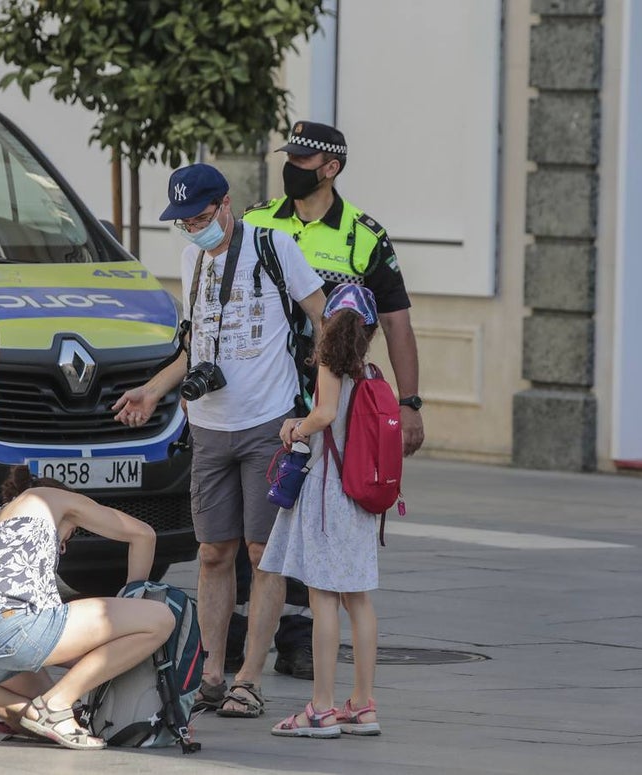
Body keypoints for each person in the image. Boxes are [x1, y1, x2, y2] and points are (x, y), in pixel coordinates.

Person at [113, 164, 325, 719]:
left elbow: (325, 320)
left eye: (202, 217)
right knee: (212, 552)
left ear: (226, 204)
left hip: (268, 424)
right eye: (183, 222)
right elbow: (196, 347)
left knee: (263, 554)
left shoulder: (275, 246)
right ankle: (210, 673)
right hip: (208, 426)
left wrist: (325, 406)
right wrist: (153, 390)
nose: (193, 229)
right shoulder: (192, 259)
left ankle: (249, 678)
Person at [240, 120, 425, 680]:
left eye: (301, 159)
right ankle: (235, 640)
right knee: (252, 529)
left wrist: (411, 402)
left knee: (309, 516)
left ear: (330, 168)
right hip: (257, 395)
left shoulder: (363, 236)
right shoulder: (255, 222)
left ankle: (297, 641)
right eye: (288, 156)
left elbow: (397, 324)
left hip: (326, 403)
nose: (290, 167)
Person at [0, 465, 173, 751]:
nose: (63, 547)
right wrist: (134, 604)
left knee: (50, 719)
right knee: (159, 620)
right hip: (13, 626)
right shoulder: (50, 498)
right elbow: (143, 534)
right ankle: (56, 705)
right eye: (71, 534)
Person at [260, 283, 383, 739]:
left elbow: (327, 413)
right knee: (359, 598)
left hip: (330, 491)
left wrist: (296, 425)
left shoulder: (331, 366)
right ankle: (364, 705)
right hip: (361, 495)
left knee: (323, 597)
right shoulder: (371, 371)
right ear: (368, 330)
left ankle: (321, 708)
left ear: (329, 322)